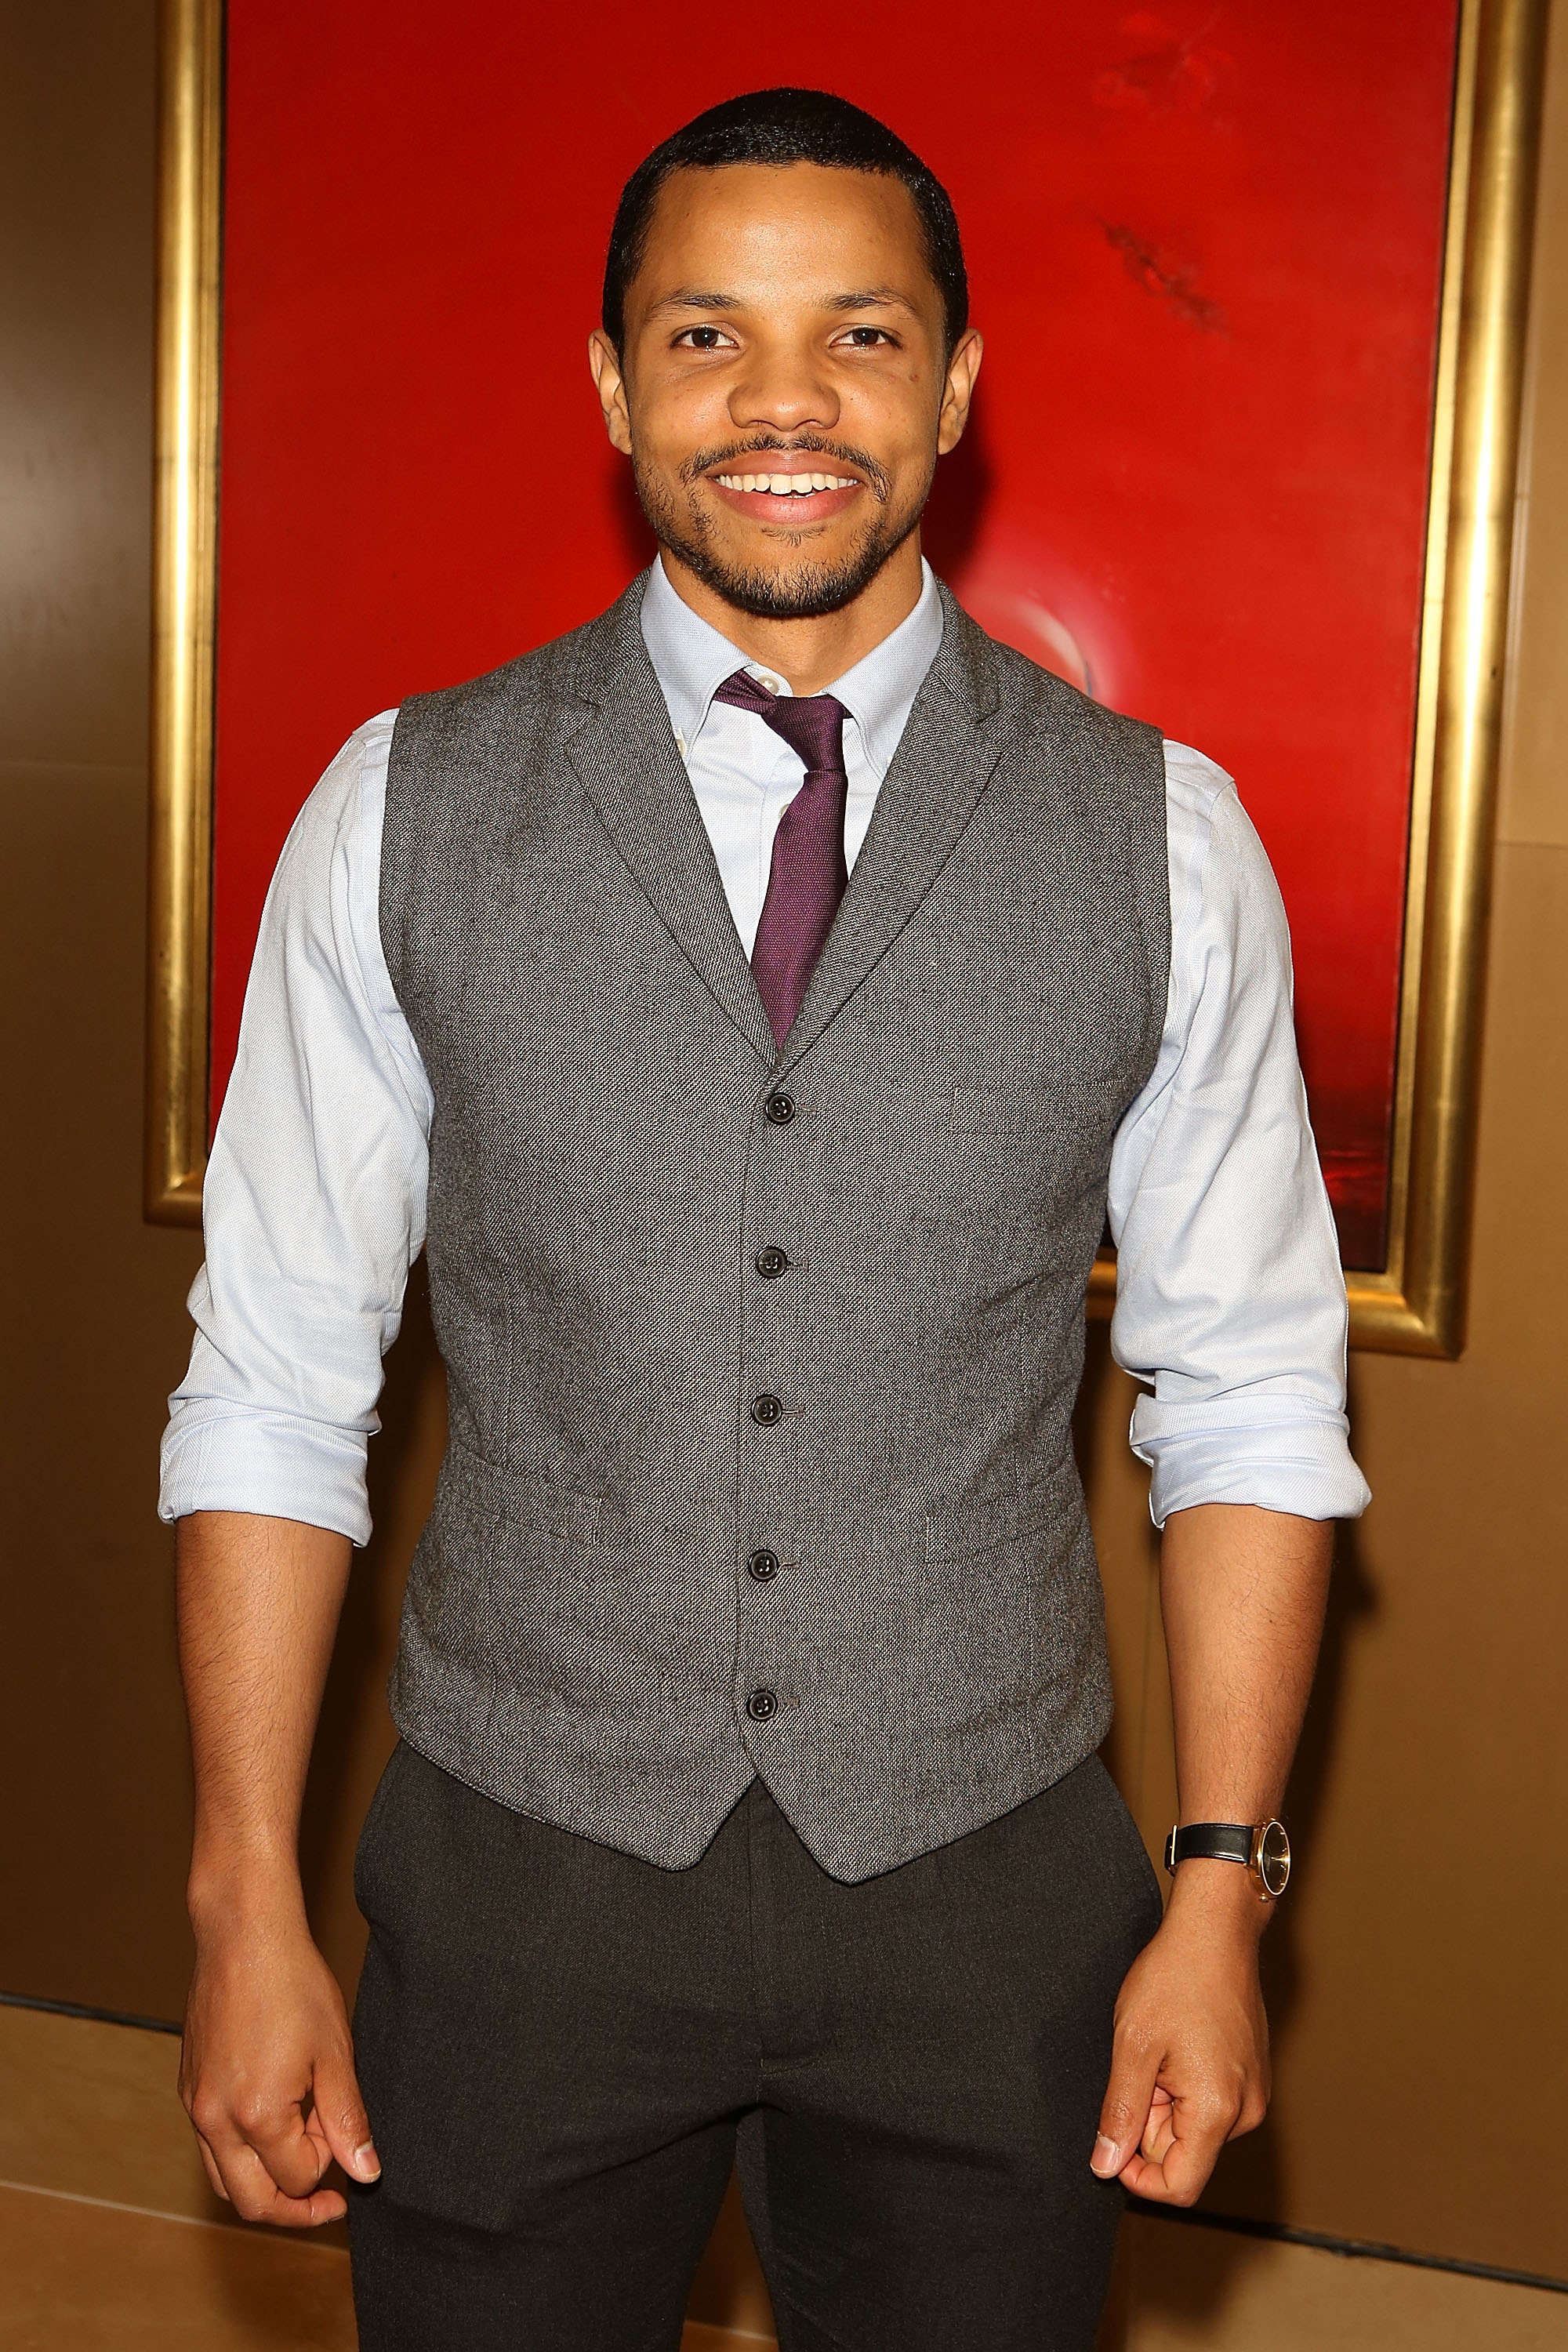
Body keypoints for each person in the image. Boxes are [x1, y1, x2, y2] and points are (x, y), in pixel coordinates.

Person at [162, 86, 1369, 2352]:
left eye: (865, 336)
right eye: (711, 335)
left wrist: (1219, 1891)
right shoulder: (399, 808)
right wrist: (244, 1894)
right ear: (615, 383)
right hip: (521, 1878)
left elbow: (1252, 1399)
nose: (789, 403)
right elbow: (275, 1387)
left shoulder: (1168, 844)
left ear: (960, 383)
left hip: (987, 1890)